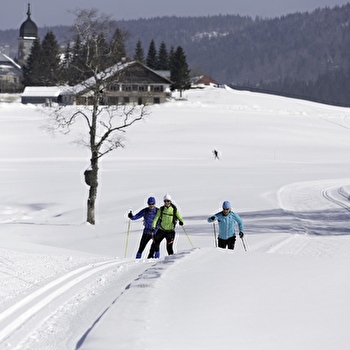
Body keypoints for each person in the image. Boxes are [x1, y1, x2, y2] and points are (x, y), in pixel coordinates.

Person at [150, 194, 184, 258]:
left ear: (170, 201)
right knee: (155, 243)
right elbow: (156, 218)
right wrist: (153, 226)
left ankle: (172, 261)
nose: (166, 202)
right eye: (165, 201)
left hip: (170, 232)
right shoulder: (162, 209)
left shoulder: (174, 209)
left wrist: (181, 221)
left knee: (169, 248)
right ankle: (156, 258)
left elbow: (180, 217)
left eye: (168, 201)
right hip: (161, 230)